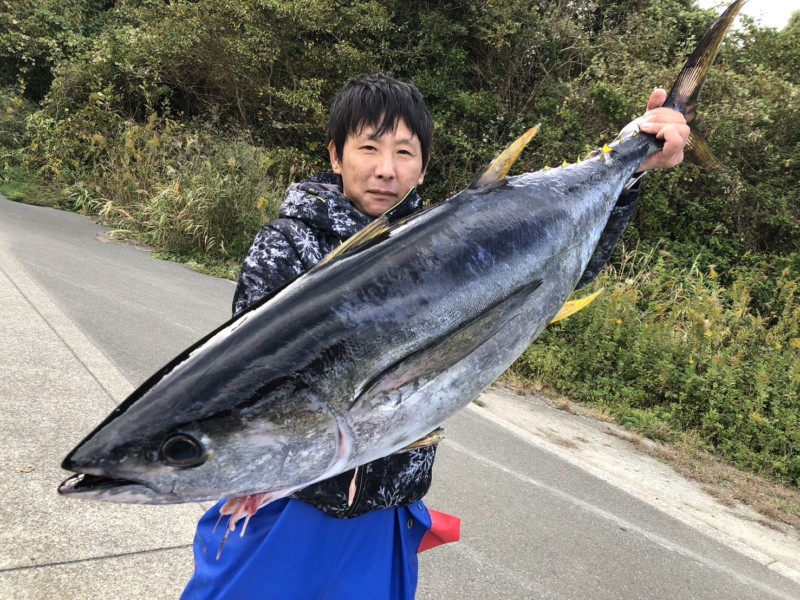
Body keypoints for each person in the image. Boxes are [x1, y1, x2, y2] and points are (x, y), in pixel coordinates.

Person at [181, 74, 689, 600]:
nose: (386, 168)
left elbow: (566, 270)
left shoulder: (452, 243)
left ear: (423, 168)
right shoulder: (288, 244)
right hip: (280, 514)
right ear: (336, 155)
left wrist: (634, 161)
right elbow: (249, 391)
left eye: (404, 152)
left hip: (385, 518)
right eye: (369, 148)